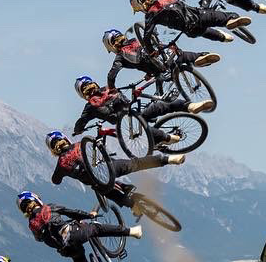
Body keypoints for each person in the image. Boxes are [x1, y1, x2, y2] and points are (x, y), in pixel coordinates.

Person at [19, 191, 142, 262]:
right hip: (74, 234)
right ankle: (132, 231)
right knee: (96, 228)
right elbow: (71, 212)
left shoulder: (32, 225)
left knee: (79, 260)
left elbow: (39, 239)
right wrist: (89, 216)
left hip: (64, 249)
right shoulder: (48, 208)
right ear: (35, 200)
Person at [69, 73, 209, 146]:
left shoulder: (89, 107)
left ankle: (167, 137)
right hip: (135, 111)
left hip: (127, 122)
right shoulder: (107, 88)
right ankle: (189, 106)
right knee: (160, 107)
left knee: (143, 129)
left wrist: (78, 131)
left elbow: (81, 122)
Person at [45, 129, 183, 194]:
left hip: (99, 182)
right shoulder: (80, 144)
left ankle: (132, 203)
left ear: (54, 150)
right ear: (65, 139)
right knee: (136, 164)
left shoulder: (61, 164)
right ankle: (169, 159)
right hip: (109, 168)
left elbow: (55, 180)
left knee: (103, 191)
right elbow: (99, 149)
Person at [103, 27, 218, 95]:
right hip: (163, 53)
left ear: (111, 46)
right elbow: (142, 55)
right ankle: (201, 56)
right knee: (181, 55)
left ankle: (160, 97)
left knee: (159, 81)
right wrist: (148, 74)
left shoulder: (120, 57)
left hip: (158, 68)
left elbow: (111, 75)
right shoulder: (134, 41)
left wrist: (112, 89)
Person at [131, 0, 248, 44]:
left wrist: (151, 52)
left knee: (202, 31)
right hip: (199, 16)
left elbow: (146, 37)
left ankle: (222, 38)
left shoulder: (150, 15)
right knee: (222, 17)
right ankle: (231, 20)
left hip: (190, 30)